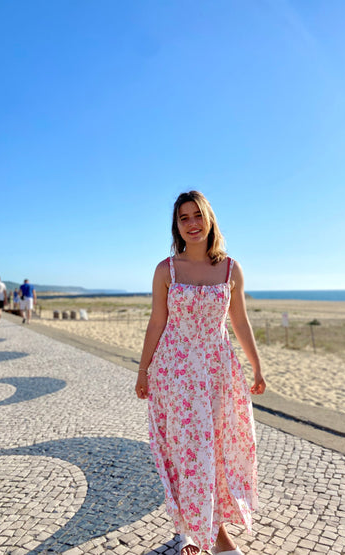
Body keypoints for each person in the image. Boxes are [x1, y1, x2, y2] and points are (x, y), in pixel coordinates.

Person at [135, 191, 266, 555]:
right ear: (176, 226)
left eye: (197, 216)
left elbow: (239, 320)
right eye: (183, 218)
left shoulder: (230, 268)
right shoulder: (166, 269)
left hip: (218, 372)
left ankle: (205, 527)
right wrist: (143, 371)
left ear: (209, 220)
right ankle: (205, 534)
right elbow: (157, 321)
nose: (191, 224)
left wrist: (256, 366)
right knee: (189, 451)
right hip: (175, 373)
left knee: (220, 450)